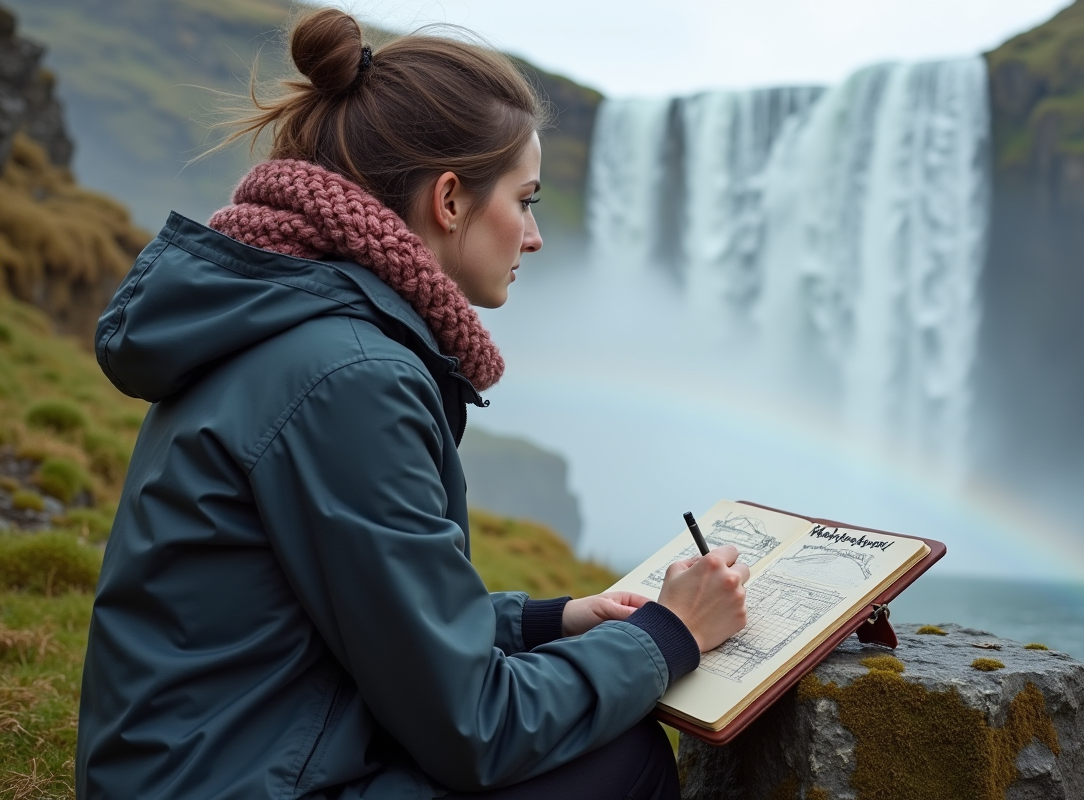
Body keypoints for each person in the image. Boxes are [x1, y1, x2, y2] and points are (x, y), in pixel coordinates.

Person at [75, 9, 749, 799]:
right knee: (619, 760)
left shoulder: (286, 320)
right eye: (525, 200)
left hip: (201, 764)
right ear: (451, 200)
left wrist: (549, 622)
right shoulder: (351, 377)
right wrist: (669, 635)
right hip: (235, 781)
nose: (534, 236)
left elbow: (356, 614)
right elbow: (476, 727)